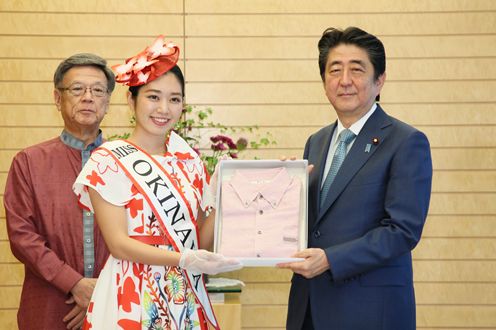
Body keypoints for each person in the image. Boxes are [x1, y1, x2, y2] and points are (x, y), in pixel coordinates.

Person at [72, 35, 242, 330]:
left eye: (174, 99)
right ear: (131, 99)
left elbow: (197, 242)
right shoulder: (109, 160)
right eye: (153, 96)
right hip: (132, 291)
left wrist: (222, 193)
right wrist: (184, 259)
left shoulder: (190, 162)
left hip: (183, 295)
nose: (164, 108)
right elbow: (119, 244)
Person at [278, 27, 433, 329]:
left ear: (380, 80)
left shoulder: (406, 141)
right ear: (324, 82)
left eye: (357, 69)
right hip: (309, 308)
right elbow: (316, 223)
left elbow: (402, 230)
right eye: (335, 70)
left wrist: (331, 259)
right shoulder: (317, 141)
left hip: (369, 312)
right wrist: (282, 191)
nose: (344, 80)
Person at [4, 53, 115, 329]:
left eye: (98, 90)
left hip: (115, 304)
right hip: (49, 308)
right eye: (77, 89)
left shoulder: (126, 163)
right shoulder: (28, 162)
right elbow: (22, 237)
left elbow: (139, 235)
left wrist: (99, 293)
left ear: (108, 102)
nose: (88, 97)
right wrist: (74, 284)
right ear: (57, 98)